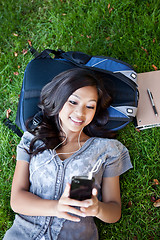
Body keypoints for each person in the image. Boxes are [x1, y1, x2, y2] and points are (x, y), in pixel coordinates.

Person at [3, 68, 133, 240]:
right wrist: (56, 207)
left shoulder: (107, 150)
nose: (80, 113)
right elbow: (17, 200)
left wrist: (98, 209)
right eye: (73, 102)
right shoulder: (32, 140)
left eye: (90, 106)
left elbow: (114, 210)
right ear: (59, 98)